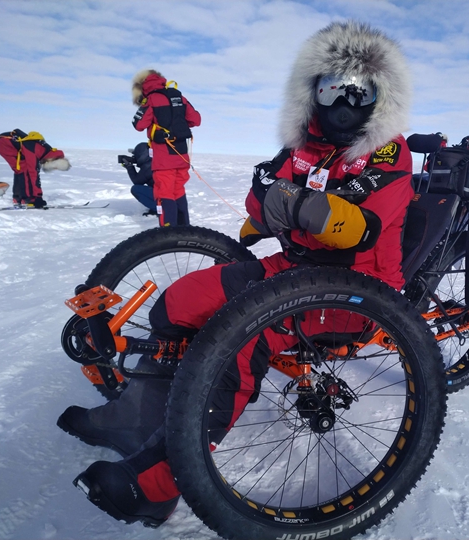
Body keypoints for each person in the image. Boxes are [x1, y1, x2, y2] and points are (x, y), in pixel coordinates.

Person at [58, 20, 413, 527]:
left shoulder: (386, 151)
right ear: (312, 92)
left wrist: (288, 200)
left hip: (354, 290)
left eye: (360, 91)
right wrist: (284, 201)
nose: (344, 101)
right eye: (332, 87)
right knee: (179, 301)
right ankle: (133, 420)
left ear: (378, 98)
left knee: (240, 336)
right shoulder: (304, 148)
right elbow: (261, 201)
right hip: (291, 269)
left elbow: (353, 228)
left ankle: (159, 483)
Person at [131, 69, 201, 227]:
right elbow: (196, 119)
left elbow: (139, 125)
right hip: (182, 156)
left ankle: (168, 235)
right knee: (178, 191)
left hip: (164, 159)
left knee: (164, 194)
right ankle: (184, 230)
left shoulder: (151, 100)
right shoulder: (179, 97)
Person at [0, 129, 70, 207]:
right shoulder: (35, 150)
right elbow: (33, 173)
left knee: (20, 169)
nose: (54, 169)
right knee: (25, 169)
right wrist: (38, 197)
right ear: (52, 161)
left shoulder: (45, 150)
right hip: (3, 142)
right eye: (55, 167)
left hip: (3, 141)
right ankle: (27, 199)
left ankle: (19, 198)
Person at [120, 142, 156, 215]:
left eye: (136, 155)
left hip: (163, 196)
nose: (134, 158)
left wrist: (129, 167)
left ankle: (157, 208)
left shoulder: (148, 166)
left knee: (135, 189)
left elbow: (137, 181)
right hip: (168, 194)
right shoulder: (153, 162)